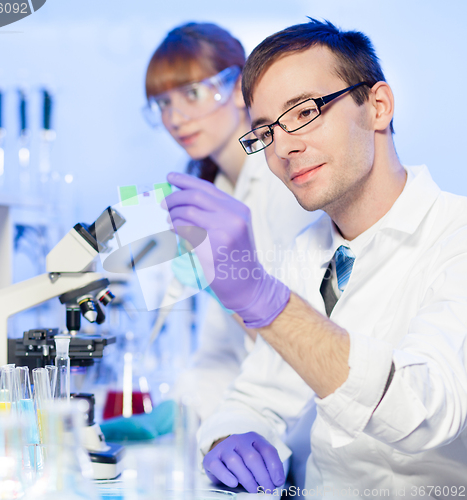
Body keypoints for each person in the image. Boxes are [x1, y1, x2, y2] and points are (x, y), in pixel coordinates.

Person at [163, 19, 467, 497]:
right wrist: (230, 434)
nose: (284, 146)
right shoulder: (309, 252)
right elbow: (258, 395)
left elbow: (425, 408)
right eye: (265, 132)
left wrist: (267, 301)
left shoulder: (457, 237)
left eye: (303, 112)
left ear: (378, 107)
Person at [144, 22, 317, 422]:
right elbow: (219, 351)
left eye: (191, 93)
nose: (176, 117)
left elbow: (305, 335)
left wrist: (235, 293)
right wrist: (186, 418)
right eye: (163, 103)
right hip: (262, 414)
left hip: (309, 421)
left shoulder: (286, 180)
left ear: (239, 89)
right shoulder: (215, 193)